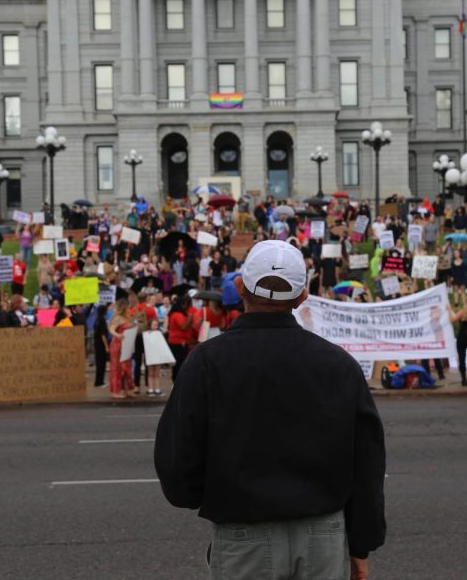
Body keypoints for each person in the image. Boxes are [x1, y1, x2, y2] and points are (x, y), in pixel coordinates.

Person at [155, 240, 385, 580]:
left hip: (243, 532)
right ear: (303, 296)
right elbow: (367, 463)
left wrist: (208, 495)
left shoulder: (206, 362)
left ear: (239, 288)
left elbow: (177, 460)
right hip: (322, 535)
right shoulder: (339, 365)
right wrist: (360, 544)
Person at [107, 299, 136, 399]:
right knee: (117, 368)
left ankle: (126, 389)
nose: (129, 308)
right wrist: (118, 335)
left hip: (126, 345)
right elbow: (111, 329)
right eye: (128, 307)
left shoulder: (127, 317)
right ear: (124, 307)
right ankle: (116, 390)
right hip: (117, 345)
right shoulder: (117, 317)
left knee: (126, 368)